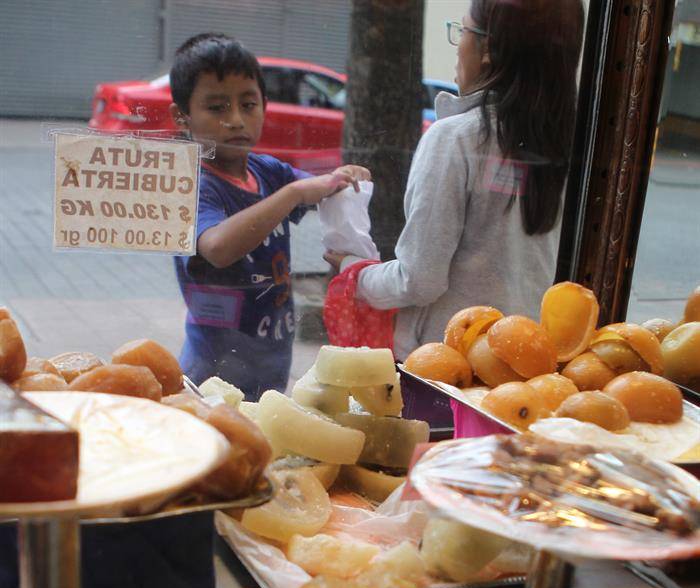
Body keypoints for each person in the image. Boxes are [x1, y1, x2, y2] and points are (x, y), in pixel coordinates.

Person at [327, 0, 585, 362]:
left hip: (449, 366)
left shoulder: (457, 138)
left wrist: (352, 270)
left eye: (462, 31)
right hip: (526, 358)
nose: (458, 44)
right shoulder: (565, 142)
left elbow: (419, 280)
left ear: (488, 51)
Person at [170, 33, 370, 399]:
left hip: (271, 362)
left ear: (264, 104)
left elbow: (324, 189)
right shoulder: (190, 184)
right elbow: (216, 246)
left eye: (248, 104)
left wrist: (345, 181)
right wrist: (293, 193)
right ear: (182, 117)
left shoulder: (267, 172)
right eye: (216, 108)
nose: (235, 120)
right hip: (212, 373)